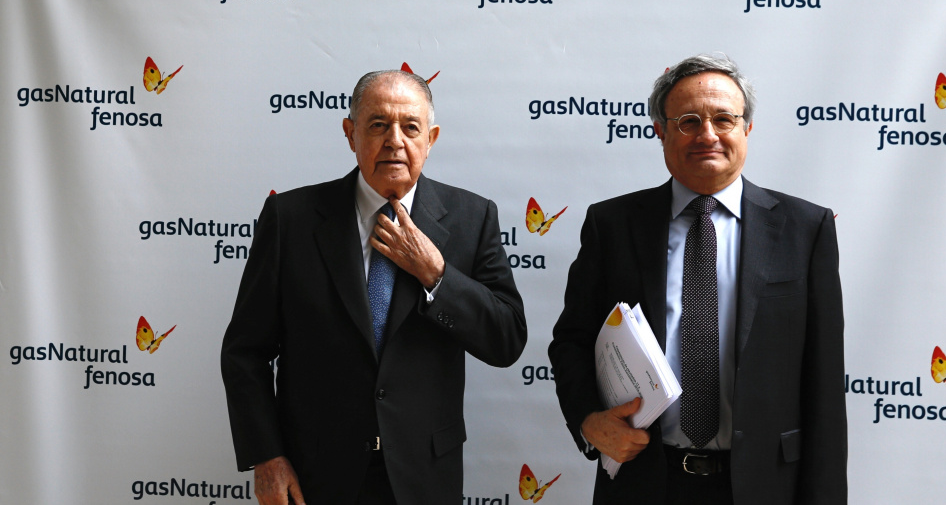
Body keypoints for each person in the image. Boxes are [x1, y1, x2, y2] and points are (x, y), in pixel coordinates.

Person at [548, 54, 846, 504]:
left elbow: (824, 385)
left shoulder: (805, 229)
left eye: (724, 119)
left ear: (747, 128)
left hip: (766, 486)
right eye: (688, 122)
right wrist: (590, 420)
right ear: (660, 131)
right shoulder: (612, 225)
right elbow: (571, 341)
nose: (708, 135)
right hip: (643, 481)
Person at [221, 70, 527, 505]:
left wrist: (437, 275)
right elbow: (245, 352)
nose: (394, 141)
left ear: (431, 139)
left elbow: (507, 338)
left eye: (410, 127)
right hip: (314, 475)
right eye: (378, 125)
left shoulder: (472, 218)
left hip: (424, 476)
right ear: (351, 133)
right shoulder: (290, 219)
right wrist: (266, 455)